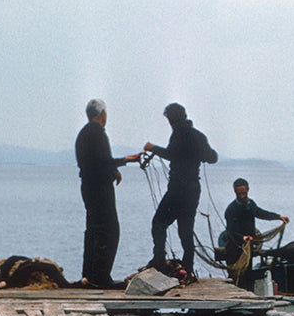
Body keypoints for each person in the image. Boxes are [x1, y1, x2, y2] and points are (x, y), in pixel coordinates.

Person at [143, 103, 218, 279]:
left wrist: (152, 147)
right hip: (193, 189)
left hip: (178, 188)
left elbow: (172, 154)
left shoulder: (178, 133)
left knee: (159, 223)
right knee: (186, 229)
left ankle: (159, 260)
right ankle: (189, 267)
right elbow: (212, 157)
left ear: (171, 119)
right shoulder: (198, 135)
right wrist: (202, 151)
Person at [75, 99, 141, 288]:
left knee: (93, 231)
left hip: (88, 186)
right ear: (102, 114)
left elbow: (93, 162)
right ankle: (101, 277)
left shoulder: (84, 133)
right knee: (109, 230)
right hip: (99, 189)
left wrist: (113, 170)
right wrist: (125, 160)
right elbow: (102, 162)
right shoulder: (98, 133)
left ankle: (88, 275)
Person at [223, 178, 289, 285]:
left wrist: (279, 217)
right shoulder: (231, 209)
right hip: (235, 249)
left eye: (243, 193)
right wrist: (242, 237)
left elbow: (262, 213)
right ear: (234, 192)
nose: (241, 196)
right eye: (238, 193)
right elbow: (230, 231)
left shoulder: (251, 204)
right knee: (236, 277)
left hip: (248, 247)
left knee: (248, 276)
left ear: (248, 190)